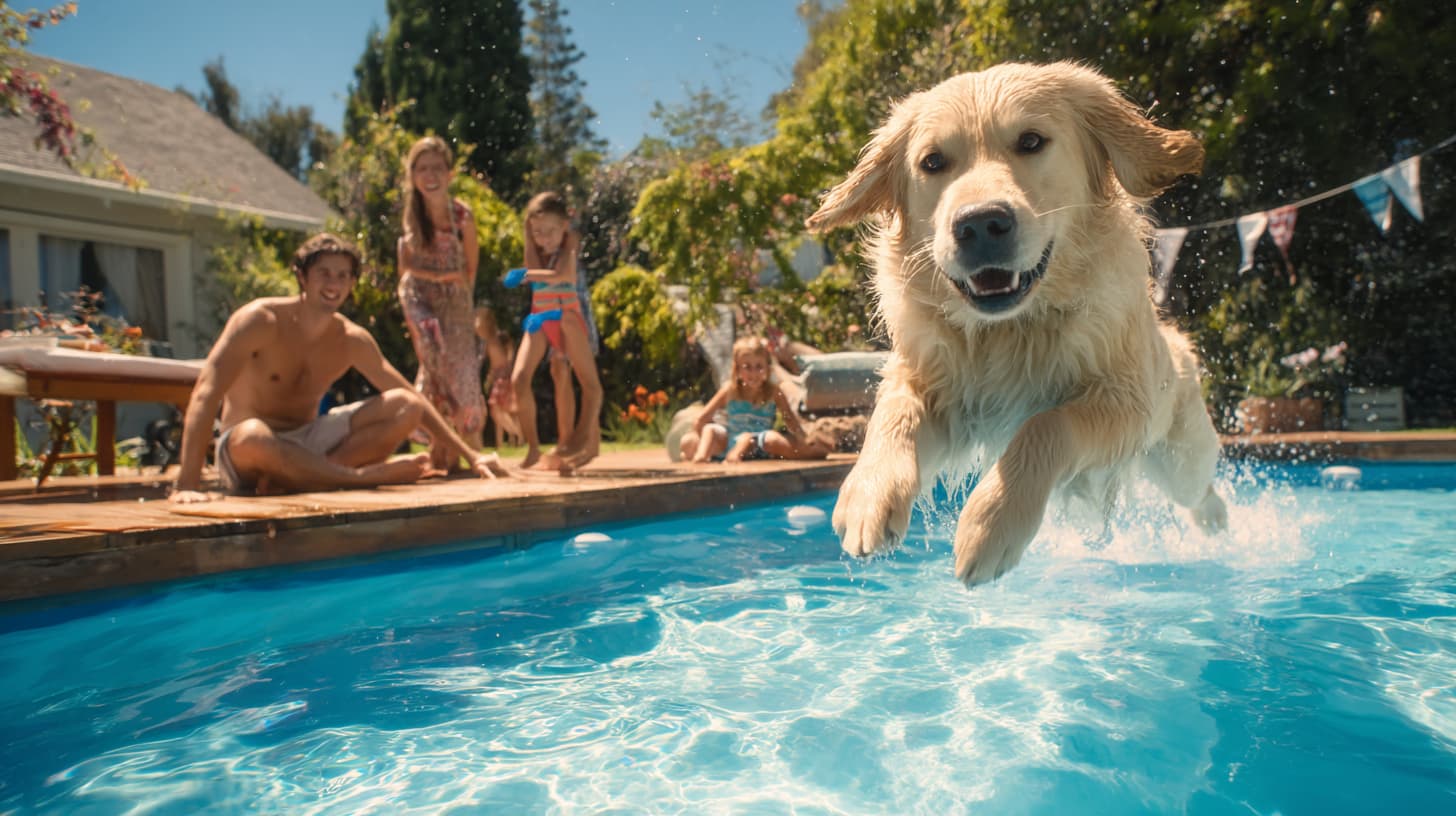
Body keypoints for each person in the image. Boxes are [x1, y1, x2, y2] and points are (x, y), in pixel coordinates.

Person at [170, 233, 508, 503]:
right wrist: (187, 483)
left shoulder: (350, 339)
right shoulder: (259, 320)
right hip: (248, 449)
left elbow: (411, 398)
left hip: (309, 441)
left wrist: (471, 455)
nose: (334, 284)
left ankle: (305, 479)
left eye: (343, 276)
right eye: (325, 273)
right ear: (302, 276)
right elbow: (206, 391)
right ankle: (357, 478)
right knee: (254, 435)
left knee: (406, 405)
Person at [396, 135, 486, 470]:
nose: (430, 175)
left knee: (460, 370)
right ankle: (443, 447)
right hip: (419, 297)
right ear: (412, 175)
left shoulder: (462, 216)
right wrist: (439, 277)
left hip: (455, 301)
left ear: (450, 174)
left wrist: (459, 309)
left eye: (437, 168)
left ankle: (459, 450)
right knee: (433, 354)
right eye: (422, 168)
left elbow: (469, 270)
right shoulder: (411, 216)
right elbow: (406, 269)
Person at [502, 192, 603, 472]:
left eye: (549, 231)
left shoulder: (569, 244)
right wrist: (529, 237)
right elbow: (535, 269)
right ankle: (535, 448)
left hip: (569, 313)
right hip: (542, 316)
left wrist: (524, 275)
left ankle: (583, 444)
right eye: (537, 232)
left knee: (584, 379)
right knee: (521, 378)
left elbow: (562, 276)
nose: (543, 238)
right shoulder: (537, 246)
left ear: (564, 227)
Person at [679, 336, 831, 464]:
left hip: (759, 443)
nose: (754, 373)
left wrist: (802, 440)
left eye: (759, 367)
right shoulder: (730, 390)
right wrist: (704, 440)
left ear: (767, 368)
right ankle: (702, 458)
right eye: (747, 367)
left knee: (771, 439)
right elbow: (701, 420)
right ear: (737, 370)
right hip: (730, 440)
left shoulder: (774, 392)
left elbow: (790, 419)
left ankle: (810, 452)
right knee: (701, 434)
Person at [475, 306, 522, 450]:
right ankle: (506, 439)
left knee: (498, 409)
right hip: (499, 377)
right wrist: (490, 377)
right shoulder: (489, 341)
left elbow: (506, 357)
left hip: (503, 378)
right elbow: (493, 362)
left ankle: (516, 433)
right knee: (499, 409)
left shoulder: (496, 339)